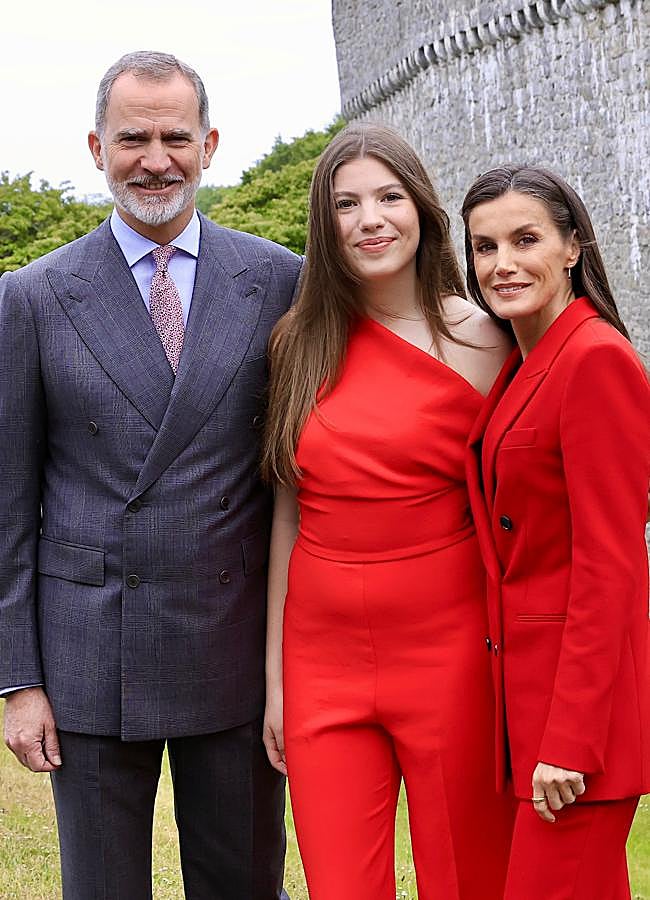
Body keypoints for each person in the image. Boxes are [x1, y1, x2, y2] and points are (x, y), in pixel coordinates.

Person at [0, 50, 302, 900]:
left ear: (209, 144)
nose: (156, 158)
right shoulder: (32, 295)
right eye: (134, 137)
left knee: (243, 885)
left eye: (176, 136)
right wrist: (19, 681)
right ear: (96, 147)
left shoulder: (279, 278)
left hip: (232, 645)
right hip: (90, 655)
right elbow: (8, 505)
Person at [261, 122, 515, 900]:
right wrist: (275, 677)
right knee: (340, 884)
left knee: (468, 878)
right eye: (345, 203)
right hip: (320, 661)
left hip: (452, 655)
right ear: (325, 225)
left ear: (422, 210)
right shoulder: (297, 342)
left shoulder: (489, 340)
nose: (369, 218)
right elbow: (288, 514)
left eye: (387, 197)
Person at [462, 164, 650, 899]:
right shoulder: (529, 357)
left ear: (573, 246)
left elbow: (612, 566)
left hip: (578, 731)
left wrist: (569, 740)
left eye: (525, 239)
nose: (502, 265)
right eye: (483, 248)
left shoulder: (596, 359)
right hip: (529, 708)